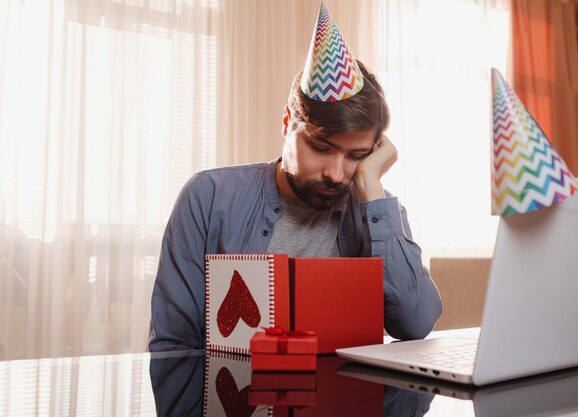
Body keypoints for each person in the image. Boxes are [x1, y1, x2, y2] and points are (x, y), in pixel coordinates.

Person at [149, 3, 441, 352]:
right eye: (320, 147)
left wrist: (373, 191)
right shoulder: (208, 196)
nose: (335, 174)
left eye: (356, 156)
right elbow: (174, 344)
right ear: (288, 122)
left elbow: (415, 323)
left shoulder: (374, 207)